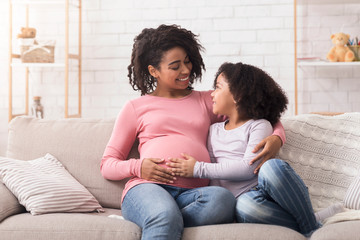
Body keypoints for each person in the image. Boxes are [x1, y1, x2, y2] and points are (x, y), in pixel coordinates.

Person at [100, 25, 286, 240]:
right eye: (175, 66)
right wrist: (139, 167)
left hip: (195, 195)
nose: (186, 70)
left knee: (223, 200)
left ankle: (161, 219)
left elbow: (261, 110)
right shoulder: (135, 107)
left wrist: (276, 137)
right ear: (154, 71)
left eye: (187, 61)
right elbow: (108, 164)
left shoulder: (207, 100)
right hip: (148, 188)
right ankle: (160, 217)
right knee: (163, 214)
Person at [167, 62, 327, 237]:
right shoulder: (214, 130)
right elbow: (214, 175)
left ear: (238, 95)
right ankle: (311, 220)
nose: (212, 94)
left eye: (218, 88)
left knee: (272, 167)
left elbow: (248, 168)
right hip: (242, 203)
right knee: (246, 207)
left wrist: (197, 169)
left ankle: (310, 227)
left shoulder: (259, 126)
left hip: (260, 192)